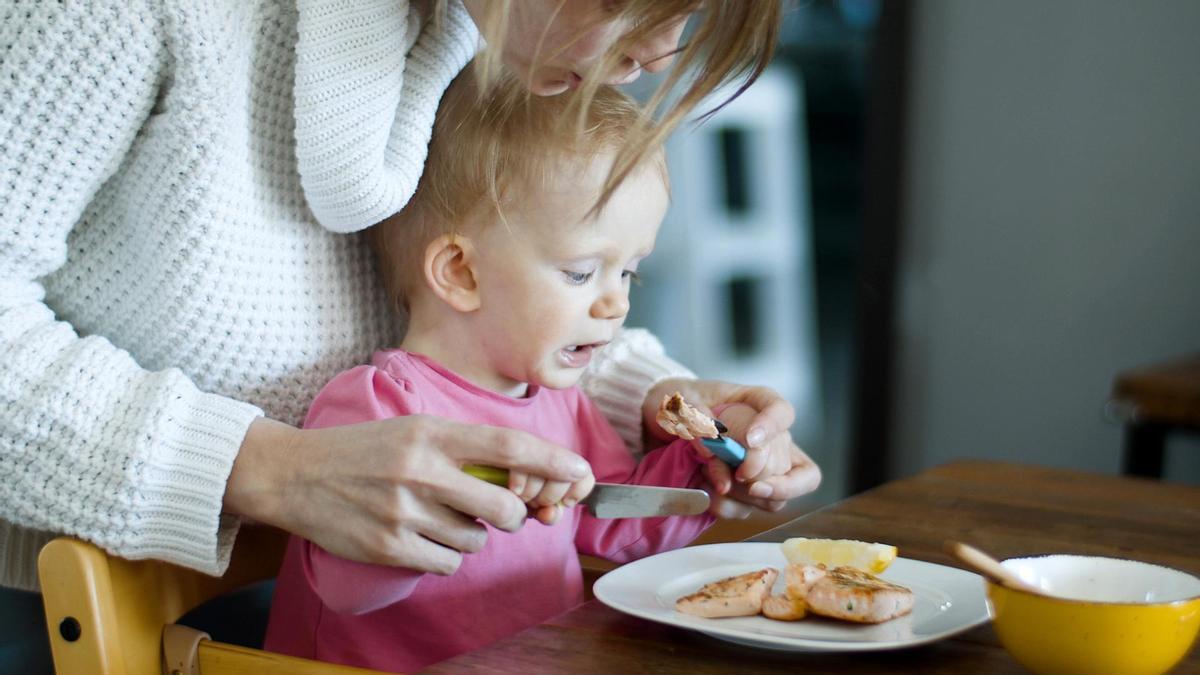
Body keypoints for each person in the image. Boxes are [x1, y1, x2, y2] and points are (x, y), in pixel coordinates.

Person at [0, 0, 819, 667]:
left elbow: (518, 265)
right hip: (68, 609)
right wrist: (265, 469)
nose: (661, 52)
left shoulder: (472, 31)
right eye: (625, 0)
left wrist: (665, 411)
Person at [264, 71, 786, 671]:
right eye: (581, 272)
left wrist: (699, 469)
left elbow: (613, 531)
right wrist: (455, 504)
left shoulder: (560, 403)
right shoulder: (376, 410)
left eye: (628, 273)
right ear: (461, 272)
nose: (615, 303)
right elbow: (348, 591)